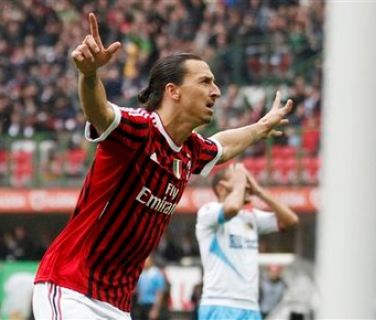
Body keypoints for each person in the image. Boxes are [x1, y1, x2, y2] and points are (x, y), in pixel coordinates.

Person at [32, 13, 293, 320]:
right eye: (205, 81)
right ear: (173, 91)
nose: (216, 91)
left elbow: (224, 147)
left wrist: (262, 126)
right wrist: (89, 76)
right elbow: (99, 111)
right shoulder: (139, 131)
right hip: (72, 287)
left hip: (117, 304)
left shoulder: (190, 150)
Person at [195, 164, 298, 320]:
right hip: (220, 305)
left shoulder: (252, 217)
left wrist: (259, 191)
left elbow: (291, 220)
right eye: (240, 181)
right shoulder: (208, 212)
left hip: (250, 307)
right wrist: (240, 185)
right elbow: (231, 209)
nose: (246, 184)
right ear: (221, 188)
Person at [132, 255, 169, 320]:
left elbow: (159, 293)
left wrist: (155, 309)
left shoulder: (156, 274)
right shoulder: (141, 273)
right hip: (140, 305)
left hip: (151, 304)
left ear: (151, 261)